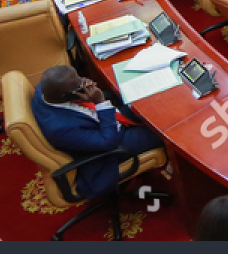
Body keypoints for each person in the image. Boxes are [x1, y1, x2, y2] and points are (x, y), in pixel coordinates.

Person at [32, 66, 164, 200]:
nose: (82, 81)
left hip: (106, 119)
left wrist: (85, 89)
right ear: (66, 96)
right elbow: (108, 142)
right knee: (163, 130)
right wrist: (100, 102)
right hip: (113, 143)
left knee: (153, 102)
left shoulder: (46, 89)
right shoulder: (61, 129)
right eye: (78, 84)